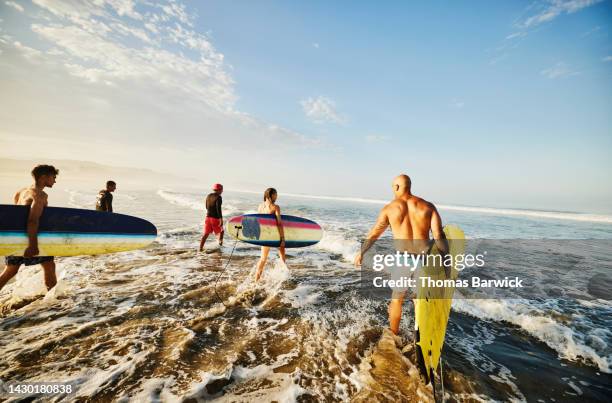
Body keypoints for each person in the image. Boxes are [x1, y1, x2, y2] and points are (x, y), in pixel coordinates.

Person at [354, 174, 448, 335]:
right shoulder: (428, 206)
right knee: (419, 300)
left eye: (393, 187)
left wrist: (361, 252)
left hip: (402, 258)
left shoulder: (389, 209)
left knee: (397, 299)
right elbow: (439, 236)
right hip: (424, 259)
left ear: (397, 187)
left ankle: (393, 335)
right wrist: (446, 262)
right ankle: (422, 337)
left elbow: (375, 234)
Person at [0, 165, 59, 292]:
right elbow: (33, 220)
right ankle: (55, 302)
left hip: (17, 237)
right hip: (31, 237)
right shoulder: (40, 195)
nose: (55, 181)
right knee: (49, 266)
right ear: (44, 177)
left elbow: (17, 217)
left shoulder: (21, 192)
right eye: (53, 177)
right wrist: (33, 245)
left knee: (10, 270)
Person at [255, 188, 286, 281]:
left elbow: (259, 221)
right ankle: (282, 276)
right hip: (275, 235)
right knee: (282, 255)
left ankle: (256, 279)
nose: (277, 196)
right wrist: (282, 238)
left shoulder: (260, 206)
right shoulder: (275, 207)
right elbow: (279, 223)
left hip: (264, 235)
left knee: (263, 258)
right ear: (270, 195)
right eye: (275, 194)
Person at [199, 183, 224, 251]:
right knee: (221, 231)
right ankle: (220, 246)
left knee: (206, 234)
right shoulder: (219, 197)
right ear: (219, 190)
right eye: (222, 189)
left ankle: (200, 248)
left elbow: (206, 206)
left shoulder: (209, 195)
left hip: (208, 218)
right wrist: (221, 219)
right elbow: (218, 208)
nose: (222, 191)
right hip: (215, 219)